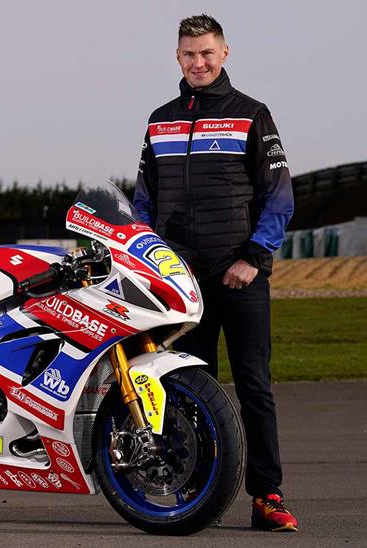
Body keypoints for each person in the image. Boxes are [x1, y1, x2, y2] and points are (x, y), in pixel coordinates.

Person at [133, 14, 297, 532]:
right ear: (176, 58)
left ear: (224, 53)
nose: (198, 62)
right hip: (179, 283)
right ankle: (193, 491)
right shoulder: (159, 120)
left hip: (240, 275)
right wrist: (141, 256)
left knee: (253, 387)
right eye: (188, 54)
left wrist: (254, 258)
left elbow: (279, 196)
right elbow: (143, 203)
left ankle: (267, 497)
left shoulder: (252, 114)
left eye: (206, 53)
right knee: (186, 386)